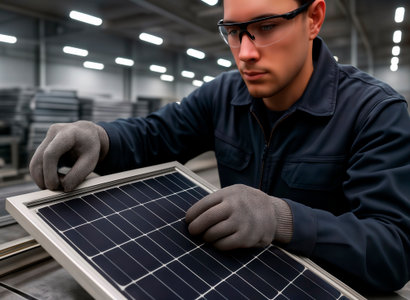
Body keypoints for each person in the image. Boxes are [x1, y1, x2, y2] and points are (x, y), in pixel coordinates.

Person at [29, 0, 410, 293]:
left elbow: (392, 251)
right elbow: (154, 136)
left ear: (313, 18)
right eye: (233, 31)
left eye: (266, 27)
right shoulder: (223, 96)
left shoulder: (375, 112)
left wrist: (283, 219)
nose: (245, 52)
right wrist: (100, 137)